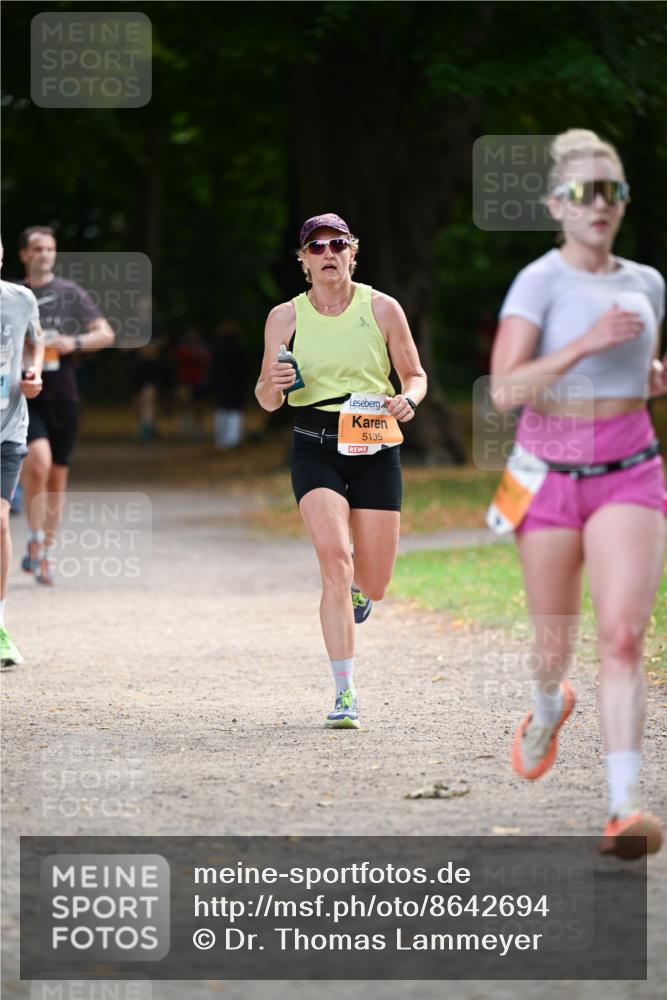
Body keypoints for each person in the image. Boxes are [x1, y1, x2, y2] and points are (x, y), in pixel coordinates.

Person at [490, 130, 666, 859]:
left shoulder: (649, 282)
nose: (598, 204)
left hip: (629, 467)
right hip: (549, 470)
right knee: (552, 645)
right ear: (554, 205)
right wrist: (587, 343)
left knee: (623, 637)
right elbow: (504, 388)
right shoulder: (539, 280)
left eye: (611, 191)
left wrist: (649, 381)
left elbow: (639, 375)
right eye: (582, 192)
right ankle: (544, 706)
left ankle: (624, 805)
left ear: (623, 202)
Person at [256, 213, 427, 729]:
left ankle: (359, 590)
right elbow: (265, 400)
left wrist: (408, 401)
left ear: (353, 252)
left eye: (338, 244)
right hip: (315, 442)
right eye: (317, 247)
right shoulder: (284, 317)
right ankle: (344, 692)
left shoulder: (382, 308)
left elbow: (415, 375)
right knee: (335, 563)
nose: (328, 253)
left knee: (371, 582)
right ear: (304, 261)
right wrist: (276, 383)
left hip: (375, 437)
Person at [17, 226, 115, 585]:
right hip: (27, 395)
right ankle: (31, 536)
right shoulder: (15, 295)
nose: (45, 254)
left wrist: (73, 341)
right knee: (38, 464)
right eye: (38, 248)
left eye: (50, 248)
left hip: (64, 394)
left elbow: (105, 333)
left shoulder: (69, 293)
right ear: (24, 255)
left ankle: (45, 551)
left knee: (57, 476)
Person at [0, 236, 44, 665]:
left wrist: (32, 372)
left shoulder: (20, 299)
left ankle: (0, 627)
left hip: (8, 427)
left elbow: (35, 342)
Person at [210, 319, 248, 449]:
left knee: (223, 410)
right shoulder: (238, 348)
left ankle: (224, 440)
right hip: (234, 384)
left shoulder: (218, 349)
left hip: (224, 384)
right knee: (232, 410)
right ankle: (232, 440)